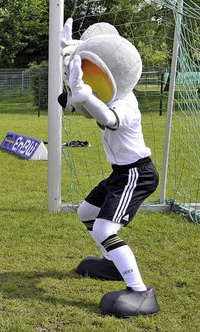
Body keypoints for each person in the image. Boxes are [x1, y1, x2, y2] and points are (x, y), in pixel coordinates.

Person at [59, 18, 160, 317]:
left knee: (104, 227)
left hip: (137, 173)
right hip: (121, 172)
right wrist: (67, 53)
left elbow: (108, 119)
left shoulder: (126, 103)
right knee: (86, 213)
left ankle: (141, 291)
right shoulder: (111, 94)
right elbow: (72, 98)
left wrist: (86, 95)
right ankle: (112, 262)